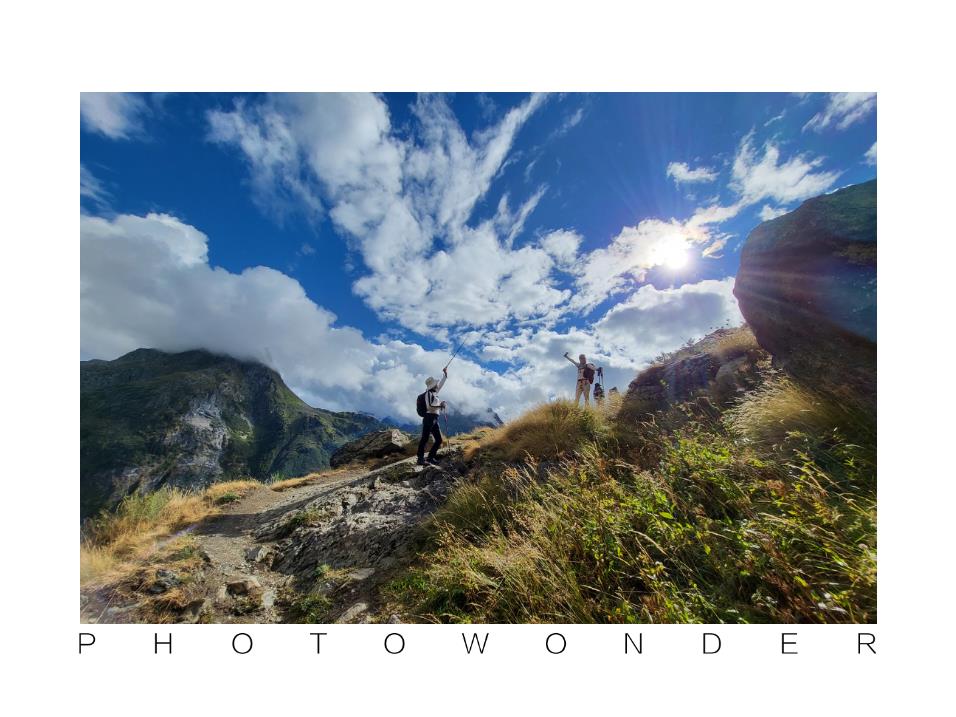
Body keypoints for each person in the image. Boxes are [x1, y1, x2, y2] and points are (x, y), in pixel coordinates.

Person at [417, 367, 448, 466]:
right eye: (436, 384)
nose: (437, 385)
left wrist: (445, 374)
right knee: (425, 438)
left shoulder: (434, 392)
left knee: (439, 440)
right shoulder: (428, 394)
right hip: (429, 417)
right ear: (433, 385)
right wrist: (440, 405)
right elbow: (429, 406)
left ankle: (430, 458)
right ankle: (420, 459)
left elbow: (442, 384)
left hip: (434, 418)